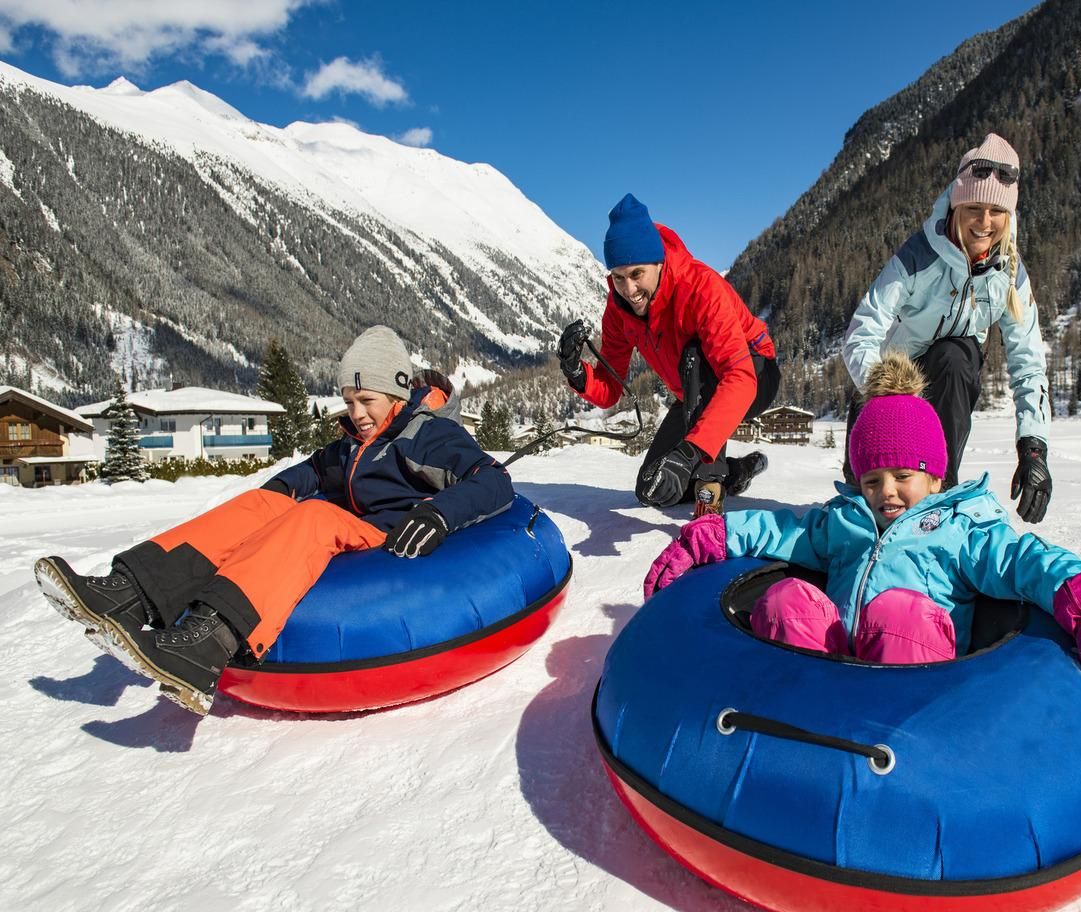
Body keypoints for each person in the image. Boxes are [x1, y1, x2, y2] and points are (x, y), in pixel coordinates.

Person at [34, 325, 514, 716]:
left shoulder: (429, 436)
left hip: (392, 539)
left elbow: (492, 480)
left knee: (313, 517)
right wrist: (270, 500)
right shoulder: (353, 443)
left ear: (396, 391)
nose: (357, 413)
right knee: (261, 504)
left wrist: (438, 514)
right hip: (354, 525)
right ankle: (129, 593)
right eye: (349, 401)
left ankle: (207, 641)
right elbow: (312, 470)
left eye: (366, 400)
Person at [644, 353, 1081, 715]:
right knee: (788, 600)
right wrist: (711, 535)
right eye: (871, 479)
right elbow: (782, 529)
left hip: (915, 693)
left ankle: (879, 730)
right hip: (831, 672)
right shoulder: (844, 521)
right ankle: (793, 715)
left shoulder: (958, 528)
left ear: (935, 477)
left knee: (898, 614)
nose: (886, 492)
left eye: (903, 476)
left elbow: (1022, 559)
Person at [840, 133, 1053, 523]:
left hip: (948, 382)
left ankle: (939, 498)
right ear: (956, 204)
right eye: (974, 206)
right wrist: (886, 398)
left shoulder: (1009, 273)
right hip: (888, 387)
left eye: (996, 211)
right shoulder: (917, 256)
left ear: (1009, 215)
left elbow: (1028, 359)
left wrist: (1033, 447)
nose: (985, 222)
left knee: (957, 356)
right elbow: (862, 332)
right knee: (864, 502)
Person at [557, 193, 780, 515]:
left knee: (695, 356)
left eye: (637, 275)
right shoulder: (618, 309)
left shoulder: (701, 287)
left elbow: (739, 377)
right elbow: (610, 389)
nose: (629, 290)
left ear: (658, 263)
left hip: (754, 375)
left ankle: (711, 483)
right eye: (618, 277)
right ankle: (738, 472)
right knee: (654, 487)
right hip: (693, 393)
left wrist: (690, 452)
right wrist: (577, 372)